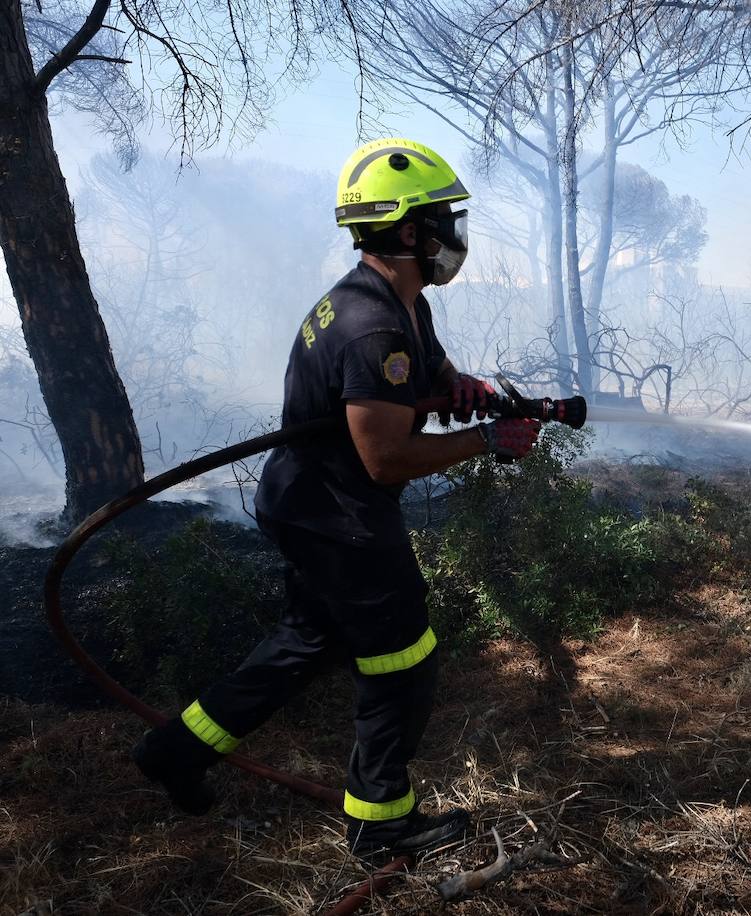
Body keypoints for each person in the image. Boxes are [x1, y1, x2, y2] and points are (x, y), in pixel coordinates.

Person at [131, 138, 541, 862]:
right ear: (409, 232)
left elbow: (430, 371)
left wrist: (463, 388)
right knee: (403, 663)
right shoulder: (372, 328)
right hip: (338, 518)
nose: (455, 234)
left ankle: (175, 751)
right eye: (446, 219)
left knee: (306, 642)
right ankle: (381, 826)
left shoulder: (394, 301)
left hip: (309, 504)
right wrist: (487, 440)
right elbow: (385, 460)